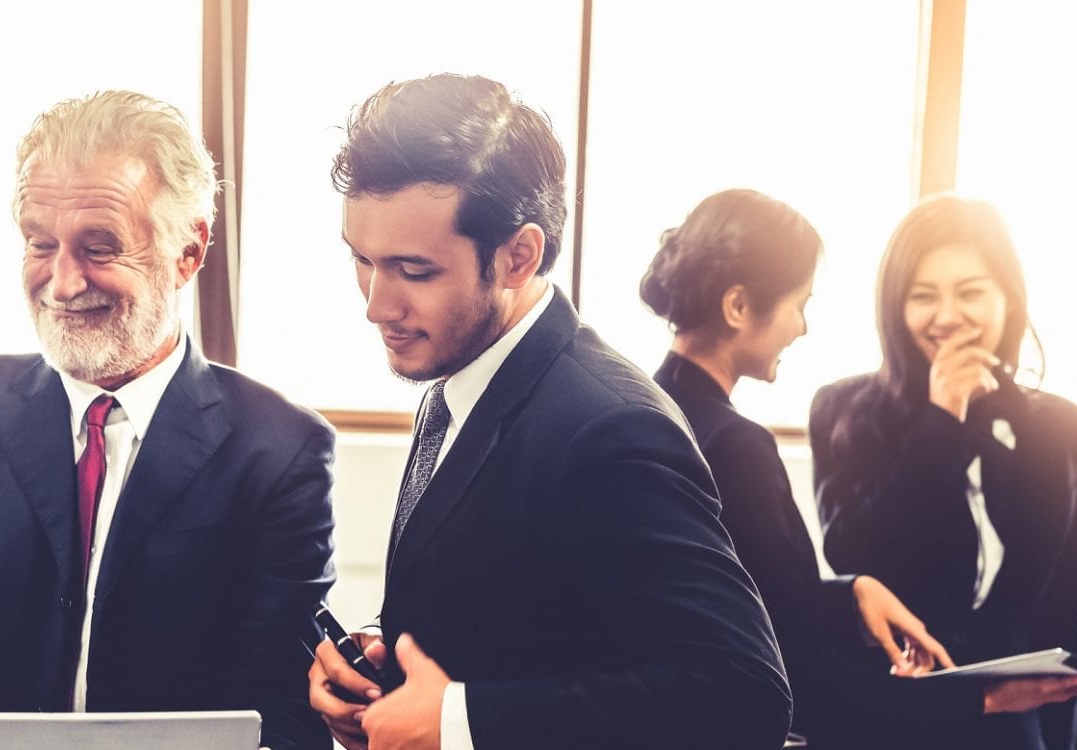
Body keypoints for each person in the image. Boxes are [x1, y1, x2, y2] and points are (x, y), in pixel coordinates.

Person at [306, 74, 789, 750]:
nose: (377, 305)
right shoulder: (459, 379)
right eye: (363, 261)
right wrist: (379, 658)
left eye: (414, 271)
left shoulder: (611, 428)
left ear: (518, 256)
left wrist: (454, 722)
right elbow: (522, 616)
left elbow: (739, 695)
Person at [0, 91, 336, 750]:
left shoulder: (282, 450)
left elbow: (280, 695)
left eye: (99, 247)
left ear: (189, 251)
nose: (64, 282)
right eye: (40, 243)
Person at [641, 188, 1004, 748]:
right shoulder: (737, 446)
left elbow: (745, 595)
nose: (802, 327)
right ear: (738, 307)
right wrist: (975, 698)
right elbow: (794, 659)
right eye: (798, 304)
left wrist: (850, 591)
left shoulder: (644, 406)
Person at [809, 196, 1077, 749]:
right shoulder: (843, 410)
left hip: (1013, 727)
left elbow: (1061, 605)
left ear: (1008, 298)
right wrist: (942, 420)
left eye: (970, 292)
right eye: (923, 296)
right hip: (889, 715)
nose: (947, 316)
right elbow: (851, 556)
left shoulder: (1064, 426)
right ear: (895, 308)